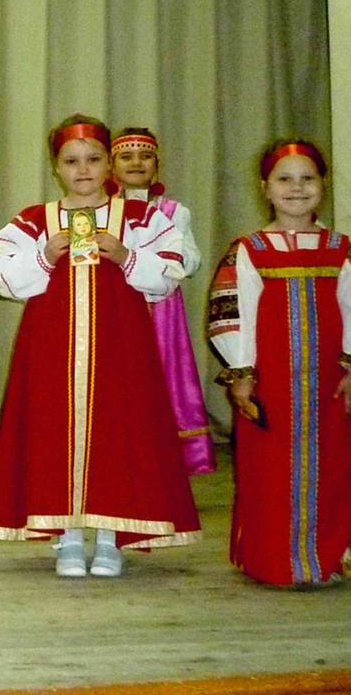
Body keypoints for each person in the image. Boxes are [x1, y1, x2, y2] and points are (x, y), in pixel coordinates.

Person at [0, 114, 200, 578]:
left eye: (93, 159)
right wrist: (44, 255)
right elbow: (2, 276)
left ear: (108, 164)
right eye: (71, 161)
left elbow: (172, 270)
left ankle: (109, 538)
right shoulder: (35, 220)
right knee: (52, 433)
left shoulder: (141, 218)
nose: (83, 170)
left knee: (118, 434)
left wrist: (126, 255)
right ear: (56, 166)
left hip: (121, 348)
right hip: (51, 348)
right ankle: (66, 537)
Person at [206, 139, 351, 587]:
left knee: (331, 467)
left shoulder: (340, 249)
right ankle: (272, 559)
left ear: (324, 184)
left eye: (308, 178)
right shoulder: (249, 249)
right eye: (284, 179)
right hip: (269, 383)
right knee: (268, 470)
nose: (297, 188)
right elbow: (233, 313)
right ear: (265, 187)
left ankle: (324, 555)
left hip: (328, 383)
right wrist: (241, 372)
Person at [109, 127, 213, 475]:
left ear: (157, 163)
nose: (136, 163)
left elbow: (190, 259)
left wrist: (167, 260)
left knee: (162, 376)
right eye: (126, 157)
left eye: (145, 156)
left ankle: (162, 461)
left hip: (161, 310)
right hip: (115, 306)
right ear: (111, 165)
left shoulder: (173, 211)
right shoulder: (103, 210)